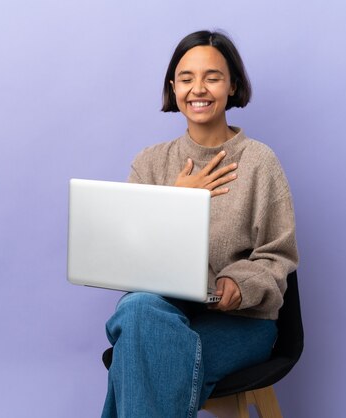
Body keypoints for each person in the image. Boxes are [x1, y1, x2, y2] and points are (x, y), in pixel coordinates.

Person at [101, 30, 299, 418]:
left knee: (141, 355)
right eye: (187, 78)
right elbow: (130, 256)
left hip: (241, 323)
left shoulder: (260, 162)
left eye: (212, 76)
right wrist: (177, 200)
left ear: (232, 85)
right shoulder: (150, 163)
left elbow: (278, 257)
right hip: (165, 311)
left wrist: (237, 285)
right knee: (140, 308)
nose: (198, 88)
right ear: (173, 87)